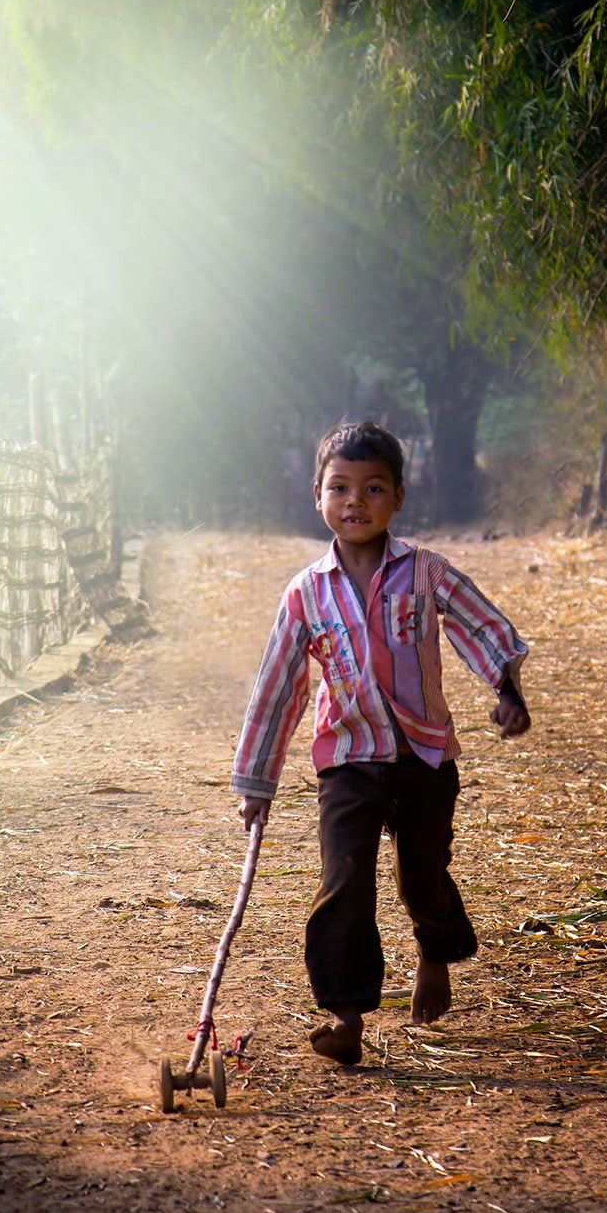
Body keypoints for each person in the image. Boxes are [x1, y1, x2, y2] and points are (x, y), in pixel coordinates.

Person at [230, 421, 530, 1066]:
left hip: (425, 757)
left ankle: (433, 952)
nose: (355, 501)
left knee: (423, 877)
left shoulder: (425, 572)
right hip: (347, 762)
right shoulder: (305, 592)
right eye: (340, 487)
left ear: (398, 498)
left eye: (373, 488)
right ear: (317, 495)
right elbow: (278, 687)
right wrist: (256, 781)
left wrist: (506, 689)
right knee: (344, 885)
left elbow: (482, 623)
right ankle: (345, 1014)